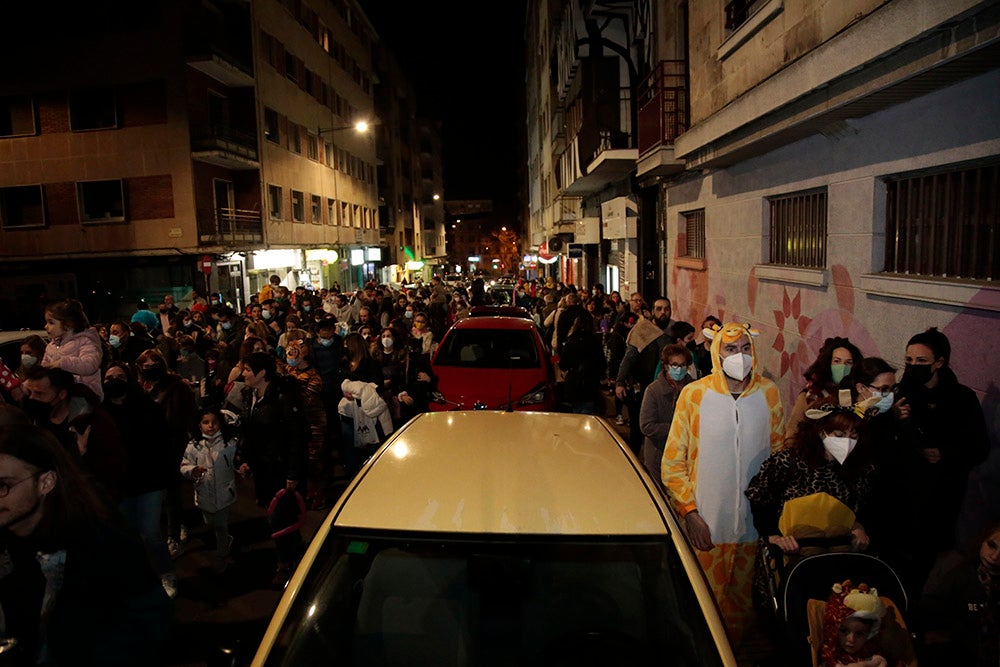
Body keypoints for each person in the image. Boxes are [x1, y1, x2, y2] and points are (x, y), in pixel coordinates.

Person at [0, 423, 172, 665]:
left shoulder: (103, 542)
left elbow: (148, 621)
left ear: (46, 482)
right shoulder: (11, 542)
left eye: (2, 486)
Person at [661, 321, 784, 647]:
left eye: (745, 348)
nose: (739, 356)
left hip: (751, 532)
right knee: (702, 610)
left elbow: (779, 459)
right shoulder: (694, 395)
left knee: (746, 613)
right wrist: (690, 512)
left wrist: (773, 521)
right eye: (731, 349)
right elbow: (673, 464)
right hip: (706, 530)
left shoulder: (768, 393)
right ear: (716, 352)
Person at [746, 395, 878, 611]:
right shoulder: (788, 461)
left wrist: (860, 527)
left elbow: (867, 507)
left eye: (853, 435)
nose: (847, 441)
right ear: (821, 432)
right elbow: (759, 496)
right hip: (790, 556)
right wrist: (773, 536)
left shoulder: (862, 470)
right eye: (839, 435)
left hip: (838, 558)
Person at [893, 327, 989, 599]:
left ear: (939, 362)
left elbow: (979, 447)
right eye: (909, 360)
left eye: (921, 361)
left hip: (941, 495)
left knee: (925, 562)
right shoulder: (902, 393)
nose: (913, 366)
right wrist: (897, 421)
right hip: (903, 492)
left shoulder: (962, 398)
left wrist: (944, 453)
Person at [102, 361, 178, 598]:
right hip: (119, 486)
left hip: (148, 481)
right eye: (109, 377)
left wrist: (164, 475)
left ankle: (166, 573)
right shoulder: (101, 413)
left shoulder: (146, 407)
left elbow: (163, 442)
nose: (114, 380)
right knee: (129, 534)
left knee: (150, 533)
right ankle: (140, 576)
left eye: (119, 376)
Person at [236, 352, 309, 589]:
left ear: (262, 373)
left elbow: (296, 438)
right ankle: (293, 558)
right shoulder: (250, 395)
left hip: (280, 468)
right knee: (275, 516)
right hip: (263, 468)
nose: (243, 374)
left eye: (247, 369)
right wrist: (246, 459)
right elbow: (250, 431)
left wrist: (293, 473)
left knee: (282, 518)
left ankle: (288, 564)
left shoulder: (283, 398)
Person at [22, 366, 127, 506]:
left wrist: (82, 456)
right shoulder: (37, 420)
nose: (32, 398)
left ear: (62, 394)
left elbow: (112, 469)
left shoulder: (93, 421)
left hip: (88, 506)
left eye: (40, 394)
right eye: (30, 392)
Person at [917, 521, 1000, 666]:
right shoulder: (960, 575)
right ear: (982, 542)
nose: (995, 556)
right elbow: (930, 620)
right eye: (991, 545)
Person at [615, 296, 676, 455]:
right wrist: (620, 382)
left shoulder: (674, 331)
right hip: (642, 388)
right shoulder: (642, 330)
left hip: (666, 390)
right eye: (659, 309)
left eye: (666, 309)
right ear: (652, 312)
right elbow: (629, 358)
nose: (663, 312)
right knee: (638, 428)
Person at [180, 407, 239, 574]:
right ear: (199, 425)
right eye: (206, 422)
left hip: (224, 492)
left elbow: (236, 461)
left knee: (220, 524)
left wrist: (241, 467)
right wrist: (192, 470)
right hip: (204, 492)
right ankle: (225, 539)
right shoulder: (194, 446)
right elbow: (184, 464)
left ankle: (223, 554)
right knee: (209, 522)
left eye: (214, 422)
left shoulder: (228, 443)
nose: (210, 426)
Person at [281, 339, 331, 511]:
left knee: (314, 459)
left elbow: (305, 400)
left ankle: (319, 492)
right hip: (296, 423)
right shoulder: (289, 370)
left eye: (293, 351)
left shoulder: (314, 377)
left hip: (313, 422)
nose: (289, 354)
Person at [784, 337, 865, 445]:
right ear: (827, 364)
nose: (842, 367)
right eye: (837, 361)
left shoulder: (859, 396)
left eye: (848, 362)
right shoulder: (810, 395)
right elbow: (792, 432)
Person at [638, 343, 693, 482]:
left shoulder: (694, 389)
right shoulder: (654, 391)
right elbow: (646, 425)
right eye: (675, 365)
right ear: (666, 365)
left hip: (686, 456)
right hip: (659, 454)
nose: (679, 369)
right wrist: (676, 429)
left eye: (683, 365)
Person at [40, 298, 105, 401]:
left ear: (68, 324)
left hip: (85, 397)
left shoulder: (85, 341)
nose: (46, 326)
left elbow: (90, 364)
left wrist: (61, 363)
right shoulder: (51, 346)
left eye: (51, 322)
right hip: (61, 397)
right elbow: (44, 368)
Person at [820, 581, 891, 667]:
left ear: (869, 635)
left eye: (859, 633)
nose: (851, 639)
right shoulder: (830, 657)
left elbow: (880, 662)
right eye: (844, 631)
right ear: (834, 631)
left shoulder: (873, 658)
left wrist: (864, 664)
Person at [557, 305, 607, 414]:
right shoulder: (594, 342)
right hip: (590, 382)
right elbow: (602, 363)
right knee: (587, 410)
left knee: (576, 410)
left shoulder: (571, 342)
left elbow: (563, 364)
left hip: (574, 383)